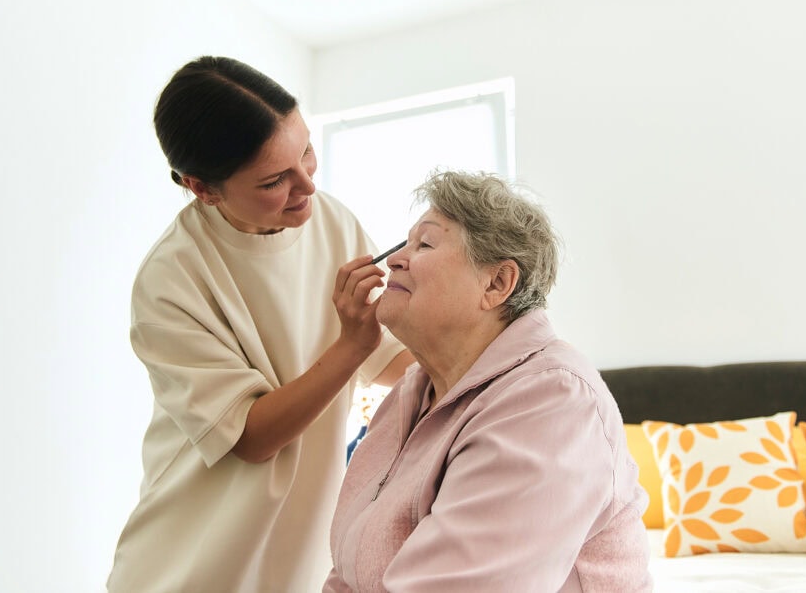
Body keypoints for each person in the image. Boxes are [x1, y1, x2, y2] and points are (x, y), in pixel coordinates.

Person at [107, 56, 413, 592]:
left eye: (308, 153)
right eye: (276, 180)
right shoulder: (170, 280)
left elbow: (388, 357)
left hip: (301, 559)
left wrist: (483, 369)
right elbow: (249, 437)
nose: (307, 188)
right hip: (194, 564)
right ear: (204, 188)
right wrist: (350, 346)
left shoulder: (333, 221)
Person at [325, 170, 653, 592]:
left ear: (497, 283)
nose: (395, 260)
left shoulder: (551, 401)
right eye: (403, 244)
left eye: (424, 244)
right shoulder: (410, 393)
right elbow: (347, 573)